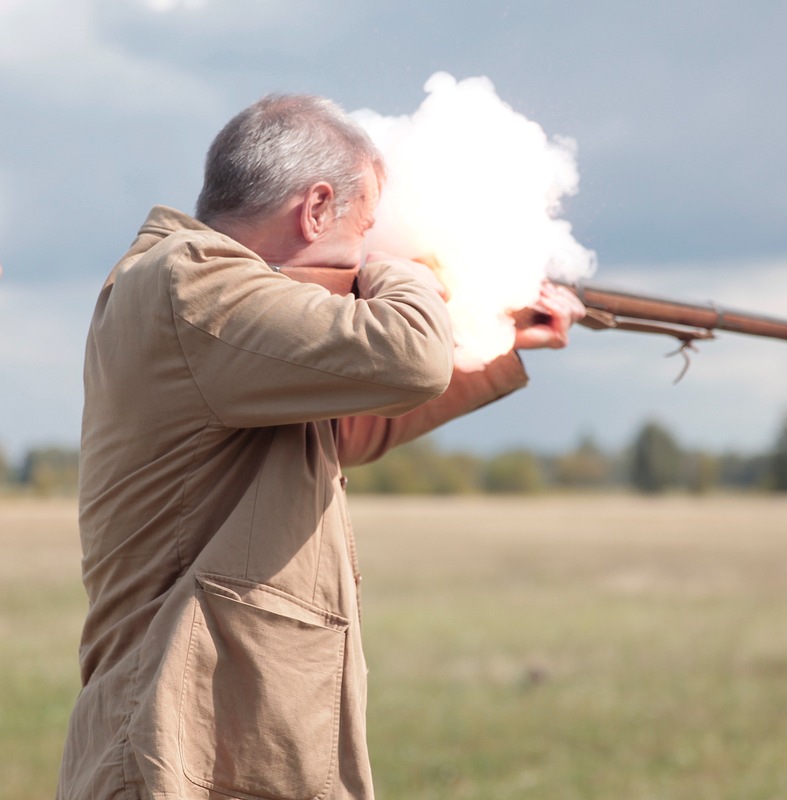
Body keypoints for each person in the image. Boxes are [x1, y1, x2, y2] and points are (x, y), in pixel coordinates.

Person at [57, 94, 584, 800]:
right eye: (364, 232)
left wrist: (501, 343)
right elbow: (406, 355)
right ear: (315, 209)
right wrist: (417, 268)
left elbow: (344, 431)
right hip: (171, 747)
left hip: (213, 740)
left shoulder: (222, 313)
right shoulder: (190, 281)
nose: (368, 253)